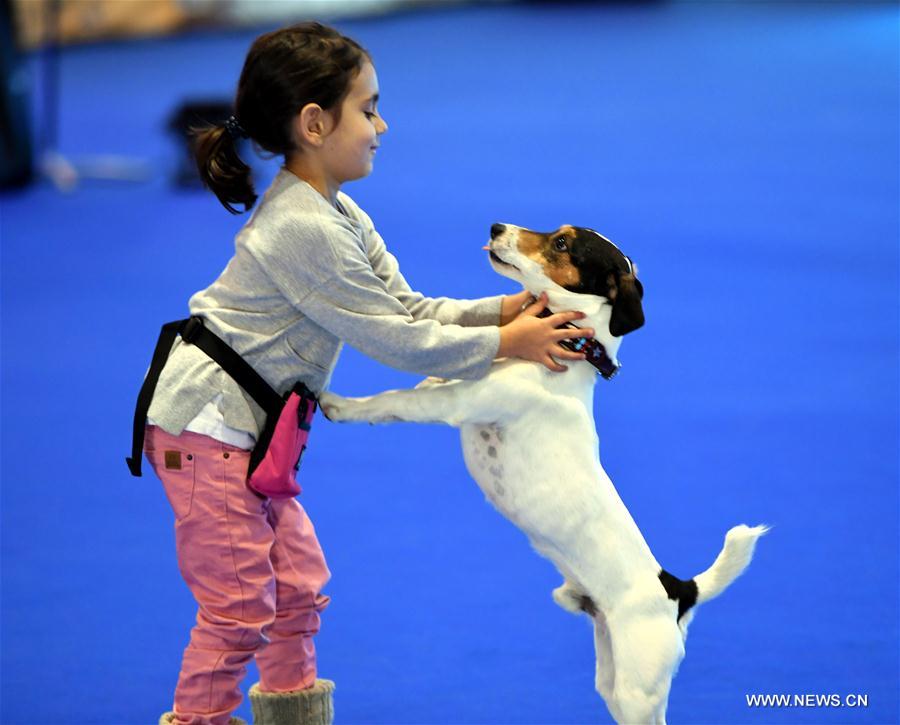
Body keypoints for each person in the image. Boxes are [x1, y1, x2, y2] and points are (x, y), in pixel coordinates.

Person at [139, 21, 592, 725]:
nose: (384, 123)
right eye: (371, 107)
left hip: (250, 436)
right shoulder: (302, 227)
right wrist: (514, 342)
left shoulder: (340, 210)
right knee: (237, 609)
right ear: (315, 123)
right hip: (206, 433)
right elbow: (400, 340)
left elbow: (410, 308)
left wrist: (505, 310)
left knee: (297, 589)